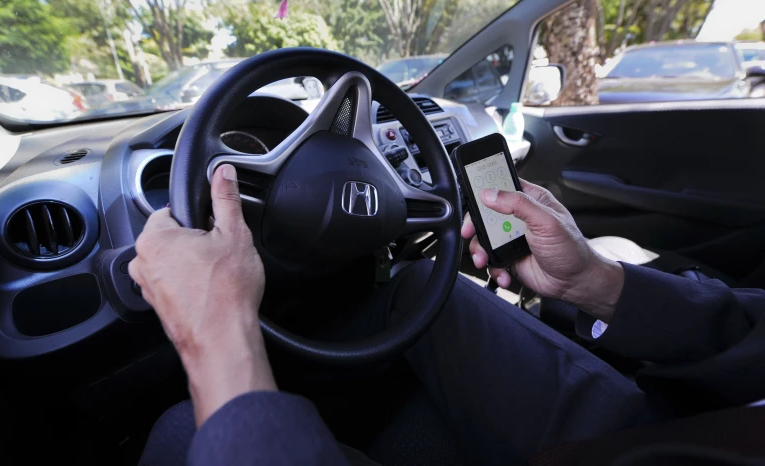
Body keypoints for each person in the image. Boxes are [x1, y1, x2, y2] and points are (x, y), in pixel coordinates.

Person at [133, 164, 765, 466]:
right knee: (420, 290)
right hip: (674, 428)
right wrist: (597, 282)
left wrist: (215, 333)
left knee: (181, 432)